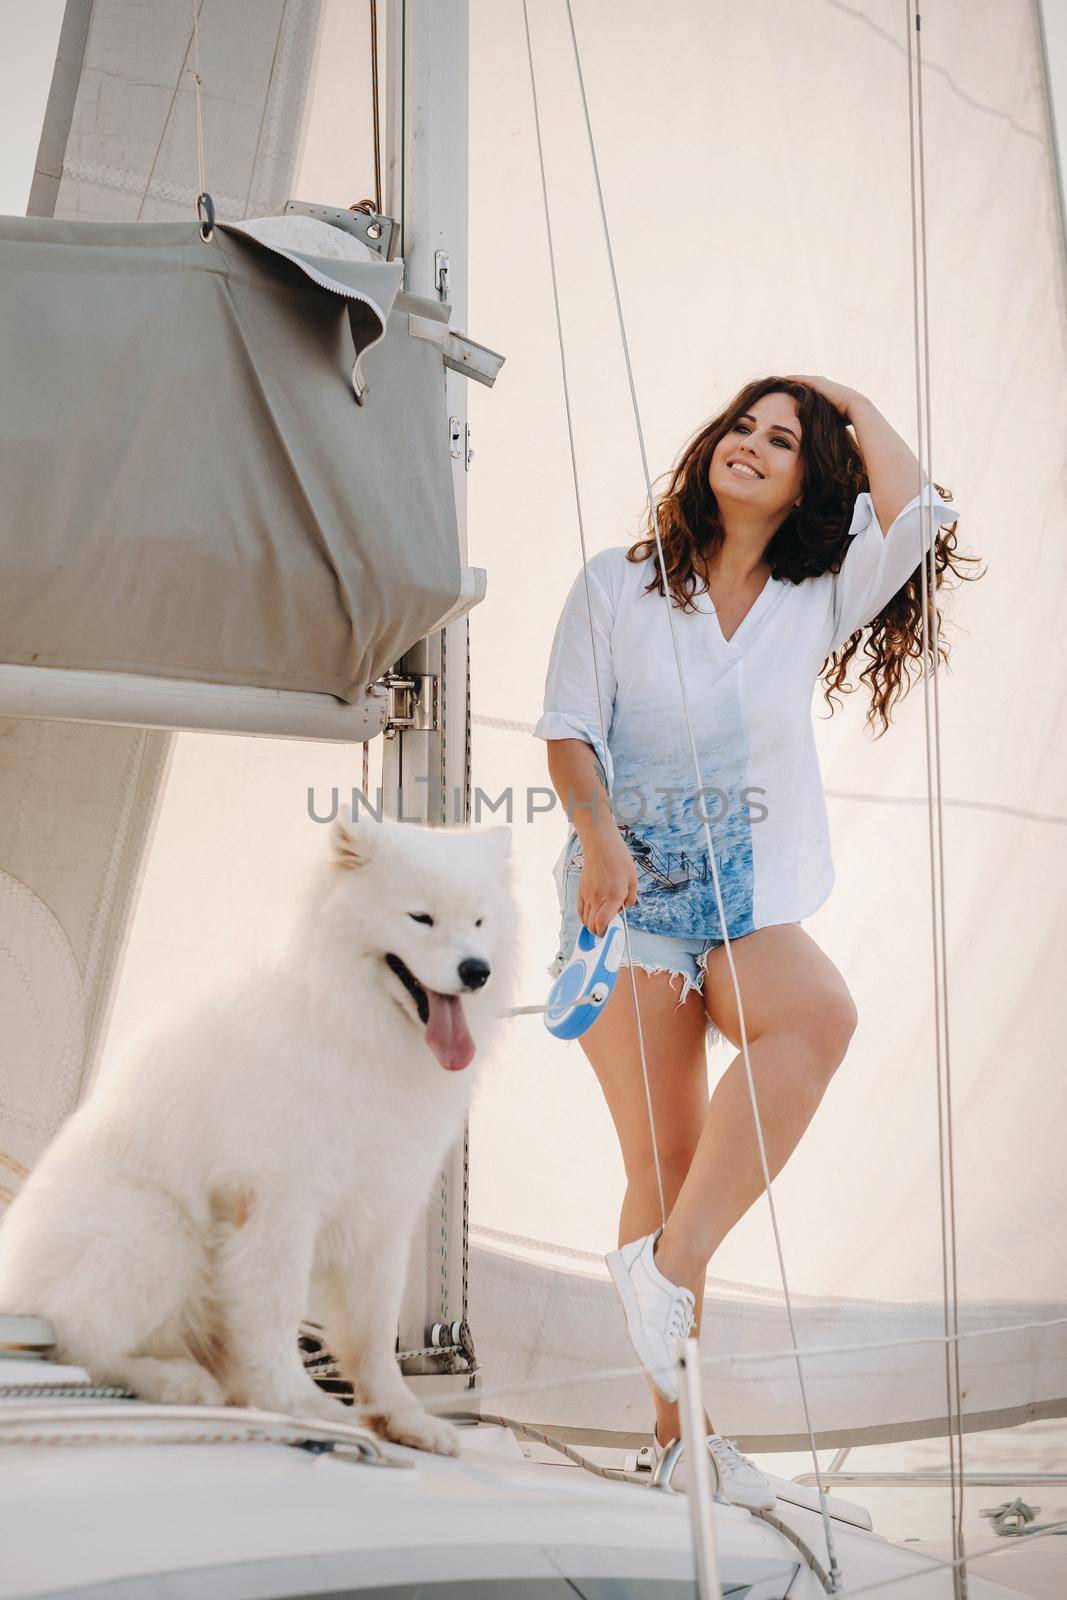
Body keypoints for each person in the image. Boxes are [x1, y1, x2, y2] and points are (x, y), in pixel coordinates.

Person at [534, 374, 978, 1505]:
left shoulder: (814, 593)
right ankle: (682, 1444)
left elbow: (919, 513)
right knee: (668, 1164)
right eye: (740, 424)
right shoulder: (615, 585)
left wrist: (843, 397)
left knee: (817, 1016)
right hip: (621, 903)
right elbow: (571, 736)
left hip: (744, 903)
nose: (749, 443)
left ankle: (666, 1268)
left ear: (804, 482)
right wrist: (596, 844)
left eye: (780, 440)